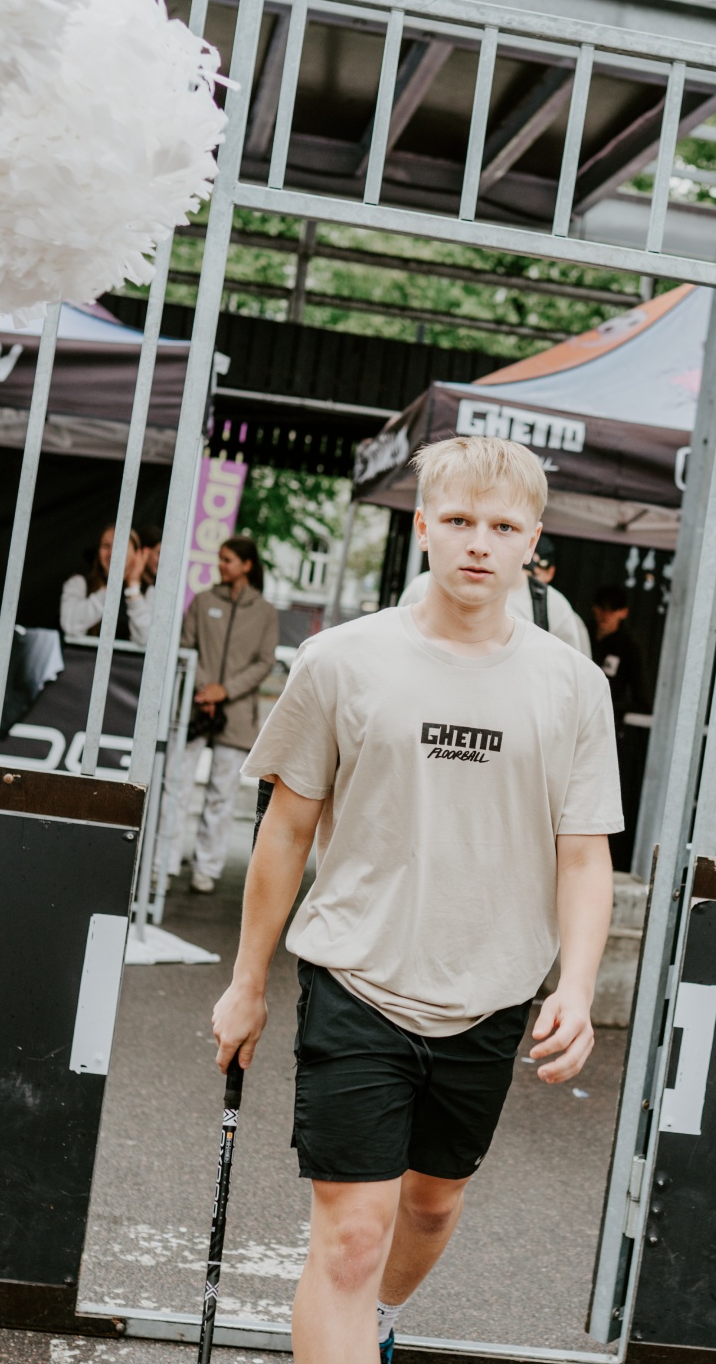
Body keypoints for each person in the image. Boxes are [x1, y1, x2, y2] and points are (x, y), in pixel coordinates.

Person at [211, 436, 619, 1364]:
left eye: (503, 526)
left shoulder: (573, 685)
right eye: (461, 521)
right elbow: (285, 830)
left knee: (430, 1206)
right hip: (357, 977)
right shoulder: (340, 660)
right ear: (424, 526)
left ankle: (380, 1320)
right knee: (352, 1239)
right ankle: (355, 1320)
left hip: (491, 991)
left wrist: (577, 986)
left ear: (534, 543)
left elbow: (584, 854)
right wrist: (247, 981)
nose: (480, 542)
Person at [160, 537, 279, 894]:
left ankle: (206, 869)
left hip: (237, 715)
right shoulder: (203, 601)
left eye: (228, 560)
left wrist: (224, 690)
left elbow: (264, 662)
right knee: (175, 787)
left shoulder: (265, 612)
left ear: (247, 565)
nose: (221, 565)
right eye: (220, 559)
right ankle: (162, 864)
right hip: (194, 709)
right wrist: (205, 690)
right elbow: (186, 647)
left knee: (221, 795)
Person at [398, 535, 587, 652]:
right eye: (459, 521)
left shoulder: (552, 606)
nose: (480, 546)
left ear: (530, 542)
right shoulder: (422, 587)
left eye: (504, 527)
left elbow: (572, 684)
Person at [60, 524, 158, 644]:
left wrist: (133, 588)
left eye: (121, 545)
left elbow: (147, 638)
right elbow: (70, 625)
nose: (113, 553)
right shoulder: (79, 583)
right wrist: (111, 586)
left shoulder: (149, 592)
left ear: (136, 554)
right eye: (106, 546)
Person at [588, 584, 646, 727]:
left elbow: (642, 699)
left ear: (623, 613)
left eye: (612, 610)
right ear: (594, 608)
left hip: (603, 721)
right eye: (602, 608)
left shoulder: (629, 647)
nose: (606, 615)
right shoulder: (582, 633)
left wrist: (611, 708)